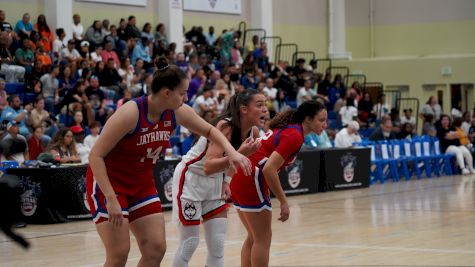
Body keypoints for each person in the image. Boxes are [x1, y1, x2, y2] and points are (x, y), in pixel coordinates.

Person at [85, 57, 251, 267]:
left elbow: (210, 130)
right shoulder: (131, 113)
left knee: (156, 249)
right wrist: (110, 198)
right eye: (182, 93)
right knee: (119, 254)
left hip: (141, 183)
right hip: (110, 184)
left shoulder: (176, 111)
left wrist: (232, 153)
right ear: (167, 93)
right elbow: (95, 156)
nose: (185, 97)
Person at [172, 90, 267, 267]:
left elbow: (233, 163)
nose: (265, 110)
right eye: (259, 105)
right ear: (244, 109)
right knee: (189, 244)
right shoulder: (226, 126)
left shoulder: (253, 131)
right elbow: (209, 166)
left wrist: (227, 181)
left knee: (217, 245)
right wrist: (239, 154)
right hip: (191, 179)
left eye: (265, 104)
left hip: (216, 182)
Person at [230, 100, 327, 267]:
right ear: (308, 119)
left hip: (240, 174)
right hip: (251, 176)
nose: (325, 125)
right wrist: (283, 201)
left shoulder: (291, 128)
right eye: (321, 120)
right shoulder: (294, 135)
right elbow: (269, 169)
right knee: (262, 239)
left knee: (254, 237)